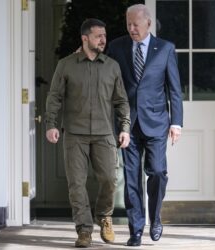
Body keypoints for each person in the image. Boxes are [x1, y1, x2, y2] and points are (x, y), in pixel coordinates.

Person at [44, 18, 131, 248]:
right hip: (75, 134)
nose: (103, 39)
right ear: (85, 39)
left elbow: (121, 101)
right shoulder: (66, 65)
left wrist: (124, 127)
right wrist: (51, 124)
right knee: (77, 184)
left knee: (110, 179)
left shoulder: (112, 66)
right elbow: (54, 97)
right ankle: (83, 230)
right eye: (98, 36)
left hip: (104, 134)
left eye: (104, 35)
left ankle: (104, 216)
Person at [107, 4, 183, 246]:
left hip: (157, 123)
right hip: (127, 125)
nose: (131, 29)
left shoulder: (166, 49)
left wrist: (177, 123)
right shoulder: (116, 47)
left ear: (148, 24)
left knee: (158, 171)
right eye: (128, 24)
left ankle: (156, 217)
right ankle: (136, 229)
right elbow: (107, 80)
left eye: (136, 25)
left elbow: (174, 90)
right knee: (131, 178)